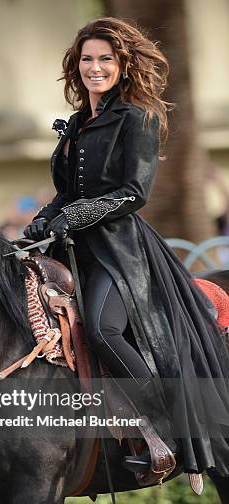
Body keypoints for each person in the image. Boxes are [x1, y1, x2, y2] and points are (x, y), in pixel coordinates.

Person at [24, 17, 229, 478]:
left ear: (122, 66)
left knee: (101, 330)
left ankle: (166, 423)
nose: (95, 67)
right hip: (72, 250)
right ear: (76, 67)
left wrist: (69, 218)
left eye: (105, 59)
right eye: (87, 59)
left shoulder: (138, 118)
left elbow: (132, 193)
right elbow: (67, 190)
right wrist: (41, 221)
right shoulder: (78, 123)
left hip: (120, 254)